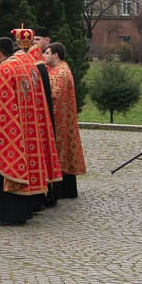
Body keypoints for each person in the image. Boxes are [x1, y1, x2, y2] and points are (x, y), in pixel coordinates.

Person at [0, 32, 61, 226]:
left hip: (8, 130)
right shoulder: (21, 65)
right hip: (21, 127)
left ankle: (6, 215)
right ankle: (17, 212)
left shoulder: (5, 69)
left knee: (4, 171)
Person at [40, 40, 86, 200]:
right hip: (62, 121)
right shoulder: (58, 69)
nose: (43, 56)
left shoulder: (60, 72)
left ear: (56, 55)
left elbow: (52, 95)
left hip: (59, 122)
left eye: (46, 53)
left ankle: (60, 190)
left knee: (60, 153)